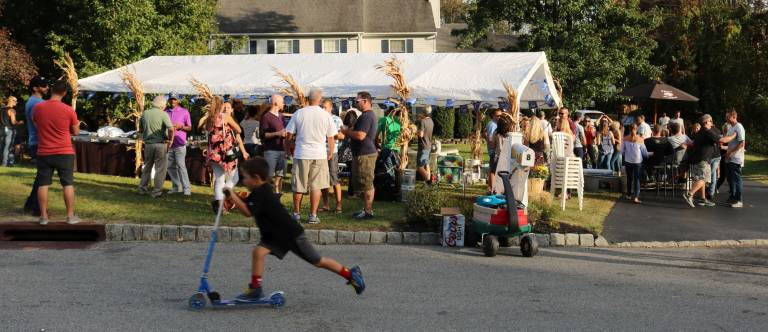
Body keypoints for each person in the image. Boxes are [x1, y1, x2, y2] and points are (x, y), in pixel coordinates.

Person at [224, 157, 365, 301]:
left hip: (291, 235)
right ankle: (255, 289)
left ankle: (351, 275)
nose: (243, 181)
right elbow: (246, 208)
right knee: (258, 252)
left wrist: (233, 195)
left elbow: (248, 212)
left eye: (245, 178)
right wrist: (232, 198)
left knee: (318, 261)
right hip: (275, 236)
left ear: (256, 178)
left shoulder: (263, 192)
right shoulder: (258, 191)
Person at [285, 89, 337, 224]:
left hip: (301, 153)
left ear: (308, 99)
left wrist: (287, 148)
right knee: (316, 186)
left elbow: (288, 134)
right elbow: (331, 137)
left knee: (299, 185)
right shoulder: (326, 115)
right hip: (319, 154)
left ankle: (296, 213)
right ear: (320, 100)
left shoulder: (299, 113)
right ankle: (313, 215)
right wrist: (330, 152)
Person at [32, 80, 80, 225]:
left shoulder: (38, 108)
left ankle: (43, 217)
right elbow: (76, 132)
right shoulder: (68, 110)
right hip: (64, 151)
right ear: (64, 93)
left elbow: (36, 126)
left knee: (43, 184)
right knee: (67, 183)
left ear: (51, 90)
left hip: (44, 151)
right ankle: (70, 216)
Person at [203, 98, 249, 212]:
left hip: (213, 153)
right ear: (221, 105)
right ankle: (226, 198)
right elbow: (238, 130)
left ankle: (219, 206)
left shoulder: (209, 118)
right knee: (234, 177)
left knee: (219, 179)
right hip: (226, 153)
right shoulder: (225, 117)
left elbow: (207, 131)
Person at [341, 91, 377, 220]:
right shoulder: (365, 116)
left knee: (367, 183)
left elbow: (361, 135)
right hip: (363, 154)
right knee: (362, 183)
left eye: (357, 101)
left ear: (365, 101)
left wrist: (346, 132)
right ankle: (366, 209)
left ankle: (368, 211)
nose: (356, 103)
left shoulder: (367, 116)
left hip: (366, 155)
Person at [138, 95, 175, 198]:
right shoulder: (164, 114)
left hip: (148, 145)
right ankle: (156, 192)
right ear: (162, 105)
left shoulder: (145, 113)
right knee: (160, 169)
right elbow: (171, 129)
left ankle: (142, 188)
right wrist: (171, 140)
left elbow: (140, 129)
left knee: (147, 167)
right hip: (160, 144)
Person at [23, 76, 49, 216]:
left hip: (37, 142)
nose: (47, 87)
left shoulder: (36, 102)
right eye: (43, 85)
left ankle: (30, 205)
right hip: (39, 142)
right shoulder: (36, 103)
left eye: (46, 84)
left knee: (42, 176)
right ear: (35, 88)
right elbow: (38, 125)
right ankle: (36, 208)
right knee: (43, 177)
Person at [682, 114, 719, 208]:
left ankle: (703, 199)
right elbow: (721, 140)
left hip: (697, 159)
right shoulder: (707, 131)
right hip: (703, 159)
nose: (712, 123)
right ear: (706, 122)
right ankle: (689, 194)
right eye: (711, 121)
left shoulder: (699, 132)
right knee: (704, 179)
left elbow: (694, 143)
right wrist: (733, 135)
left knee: (700, 179)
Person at [320, 99, 344, 214]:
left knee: (334, 177)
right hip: (320, 152)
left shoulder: (336, 119)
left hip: (332, 151)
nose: (323, 109)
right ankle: (326, 205)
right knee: (323, 180)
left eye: (325, 107)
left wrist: (330, 134)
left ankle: (339, 204)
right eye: (322, 107)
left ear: (331, 108)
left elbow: (342, 136)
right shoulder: (319, 119)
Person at [260, 95, 287, 194]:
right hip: (270, 150)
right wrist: (277, 134)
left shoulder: (282, 116)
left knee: (281, 174)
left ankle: (277, 193)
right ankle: (265, 194)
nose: (284, 104)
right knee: (269, 175)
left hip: (282, 149)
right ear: (276, 103)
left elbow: (283, 130)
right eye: (282, 102)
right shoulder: (266, 117)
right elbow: (263, 135)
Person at [165, 96, 192, 196]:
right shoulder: (165, 111)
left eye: (175, 99)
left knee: (181, 166)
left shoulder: (184, 111)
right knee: (170, 166)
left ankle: (187, 188)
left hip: (180, 144)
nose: (173, 101)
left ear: (178, 100)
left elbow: (189, 128)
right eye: (171, 99)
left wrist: (181, 127)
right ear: (169, 100)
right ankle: (176, 187)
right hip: (168, 143)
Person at [720, 109, 745, 208]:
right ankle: (733, 197)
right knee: (731, 179)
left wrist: (732, 152)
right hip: (730, 157)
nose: (726, 118)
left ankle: (739, 200)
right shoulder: (730, 127)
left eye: (728, 117)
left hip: (736, 158)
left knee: (736, 179)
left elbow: (742, 143)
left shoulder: (739, 127)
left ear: (734, 117)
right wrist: (727, 153)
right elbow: (729, 140)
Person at [622, 123, 650, 204]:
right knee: (637, 179)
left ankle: (628, 194)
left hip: (628, 160)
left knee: (629, 178)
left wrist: (627, 154)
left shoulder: (625, 138)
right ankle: (636, 197)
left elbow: (622, 151)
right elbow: (644, 152)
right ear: (636, 129)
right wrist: (648, 156)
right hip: (637, 161)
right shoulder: (640, 139)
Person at [2, 96, 24, 166]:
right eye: (15, 101)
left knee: (2, 146)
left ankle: (4, 162)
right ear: (11, 101)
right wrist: (20, 122)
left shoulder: (1, 109)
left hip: (1, 129)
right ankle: (5, 163)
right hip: (10, 130)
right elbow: (14, 122)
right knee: (8, 147)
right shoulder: (12, 110)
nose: (16, 102)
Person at [416, 106, 435, 183]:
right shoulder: (431, 121)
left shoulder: (422, 121)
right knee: (426, 163)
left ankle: (428, 179)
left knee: (419, 166)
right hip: (429, 146)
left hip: (423, 146)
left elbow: (421, 134)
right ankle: (429, 180)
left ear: (423, 112)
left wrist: (414, 131)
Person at [485, 108, 501, 193]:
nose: (499, 117)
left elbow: (485, 134)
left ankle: (490, 188)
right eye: (497, 116)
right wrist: (494, 148)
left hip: (493, 150)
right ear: (493, 116)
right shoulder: (492, 125)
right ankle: (492, 189)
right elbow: (490, 138)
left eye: (500, 116)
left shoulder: (494, 124)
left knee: (493, 169)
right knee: (493, 170)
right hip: (493, 151)